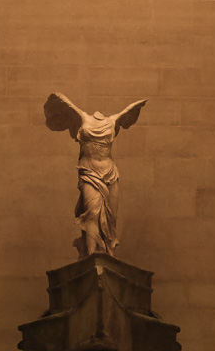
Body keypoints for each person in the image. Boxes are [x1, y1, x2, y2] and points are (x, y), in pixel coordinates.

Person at [43, 92, 147, 258]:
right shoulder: (83, 118)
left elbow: (130, 111)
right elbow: (62, 102)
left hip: (110, 172)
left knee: (111, 216)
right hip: (89, 171)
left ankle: (108, 253)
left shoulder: (113, 120)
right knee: (92, 212)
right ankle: (92, 255)